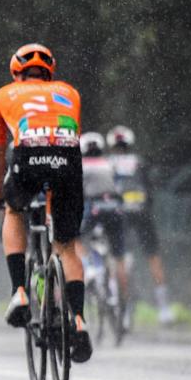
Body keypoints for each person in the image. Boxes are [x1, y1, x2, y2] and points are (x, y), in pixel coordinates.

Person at [0, 43, 92, 364]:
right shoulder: (70, 92)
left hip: (28, 156)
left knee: (14, 211)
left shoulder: (1, 96)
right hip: (67, 160)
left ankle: (19, 291)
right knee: (66, 246)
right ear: (50, 71)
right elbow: (64, 143)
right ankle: (79, 320)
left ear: (16, 72)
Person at [107, 125, 173, 324]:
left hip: (119, 214)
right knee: (153, 256)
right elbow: (149, 190)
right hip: (142, 212)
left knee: (120, 259)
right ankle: (164, 308)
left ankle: (124, 310)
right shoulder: (139, 162)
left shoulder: (107, 163)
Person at [78, 131, 129, 325]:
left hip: (93, 209)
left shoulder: (80, 166)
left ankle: (89, 268)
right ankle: (122, 306)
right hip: (115, 210)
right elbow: (120, 188)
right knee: (119, 258)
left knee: (74, 238)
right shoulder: (111, 164)